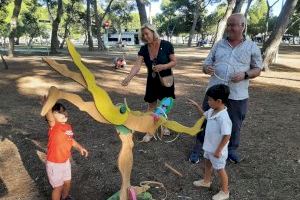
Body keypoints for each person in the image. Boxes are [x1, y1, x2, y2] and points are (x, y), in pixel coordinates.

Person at [189, 13, 263, 164]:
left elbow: (257, 69)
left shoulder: (252, 46)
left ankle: (231, 149)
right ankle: (198, 148)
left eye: (233, 25)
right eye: (228, 24)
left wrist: (245, 74)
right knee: (206, 120)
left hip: (238, 94)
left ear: (242, 27)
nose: (229, 28)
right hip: (214, 92)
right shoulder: (219, 44)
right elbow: (206, 63)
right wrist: (206, 68)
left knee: (235, 123)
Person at [121, 23, 177, 142]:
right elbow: (137, 65)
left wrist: (164, 66)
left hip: (166, 79)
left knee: (164, 105)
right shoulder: (144, 49)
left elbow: (174, 62)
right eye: (143, 35)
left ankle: (163, 125)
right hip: (152, 81)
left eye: (147, 33)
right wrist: (129, 77)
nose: (145, 36)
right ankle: (150, 129)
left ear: (153, 32)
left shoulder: (167, 45)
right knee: (151, 106)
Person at [189, 84, 231, 200]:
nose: (208, 102)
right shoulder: (213, 110)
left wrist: (218, 150)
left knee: (220, 169)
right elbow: (204, 115)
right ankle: (206, 181)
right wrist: (197, 106)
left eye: (210, 100)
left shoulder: (223, 117)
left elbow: (227, 135)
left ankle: (225, 191)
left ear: (219, 101)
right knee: (207, 163)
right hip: (209, 147)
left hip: (217, 150)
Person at [43, 100, 88, 200]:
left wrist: (79, 147)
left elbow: (70, 140)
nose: (63, 113)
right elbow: (50, 117)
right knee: (58, 187)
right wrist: (48, 106)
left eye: (64, 111)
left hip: (65, 161)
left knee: (67, 183)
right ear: (51, 116)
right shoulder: (54, 126)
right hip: (54, 164)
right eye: (59, 112)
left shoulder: (67, 127)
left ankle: (65, 197)